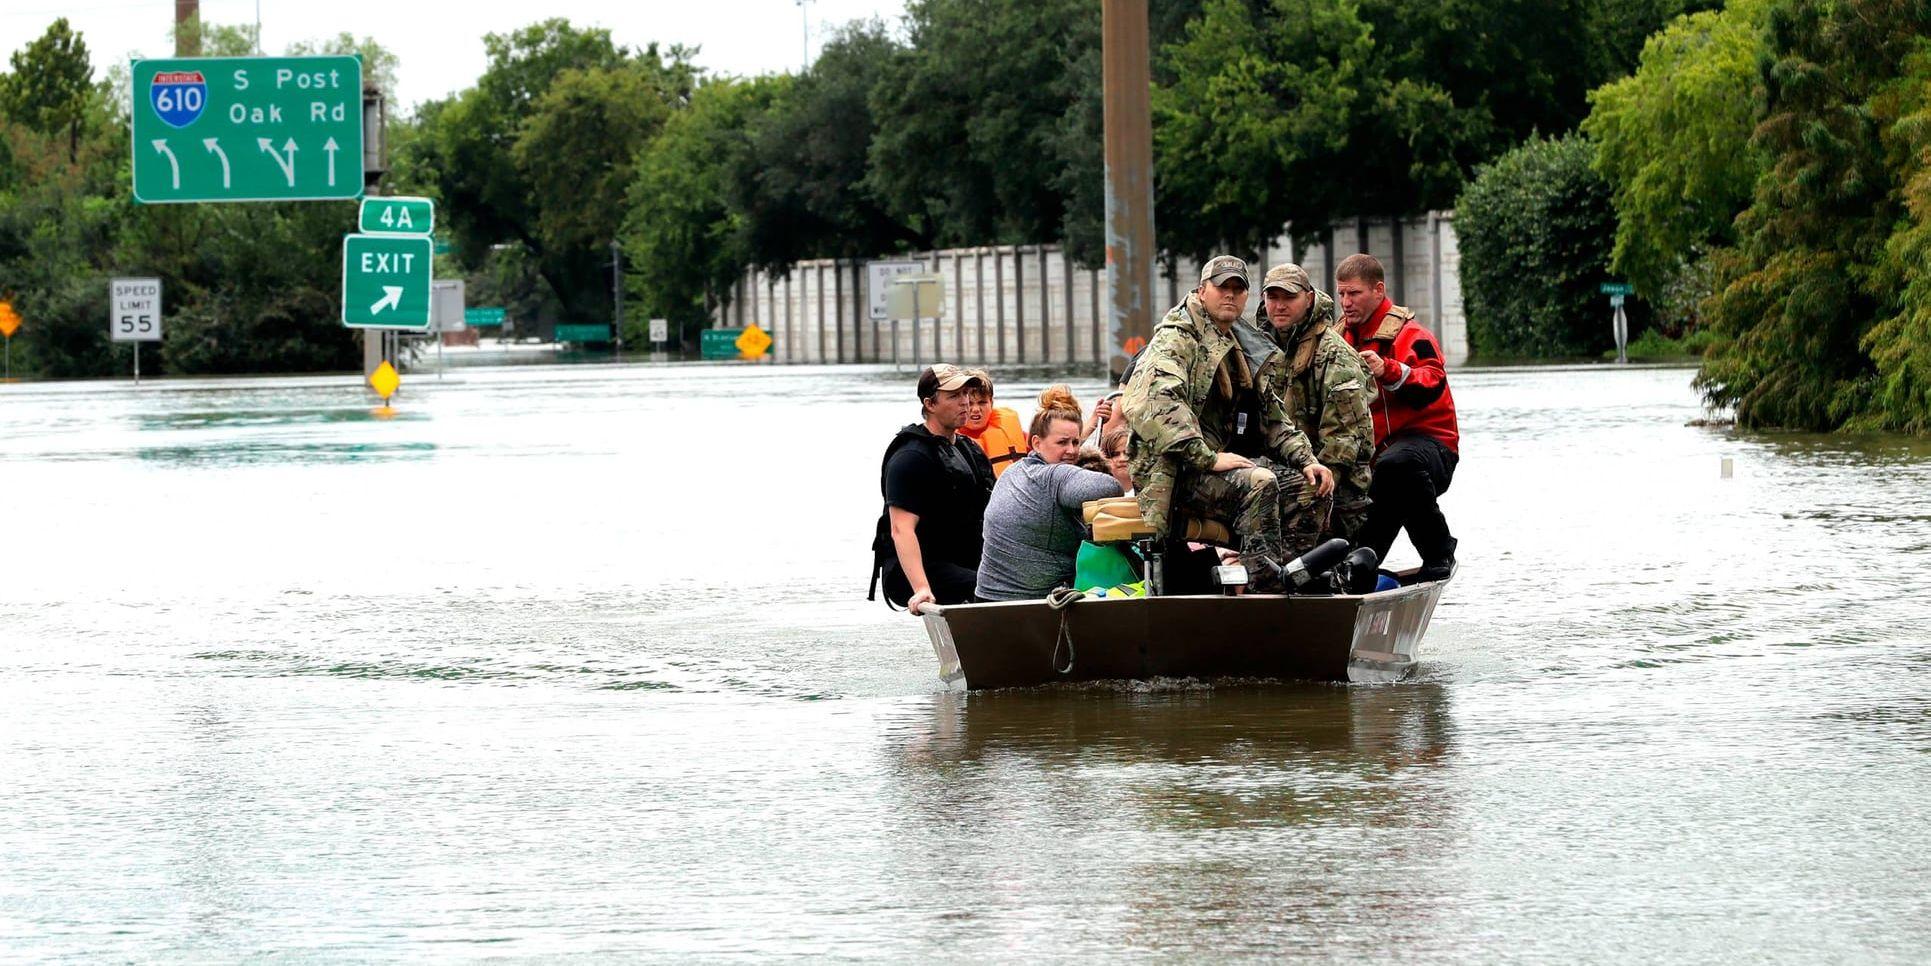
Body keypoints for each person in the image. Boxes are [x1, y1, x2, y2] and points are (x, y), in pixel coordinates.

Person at [1120, 254, 1335, 589]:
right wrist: (1208, 457)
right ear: (1203, 290)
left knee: (1313, 487)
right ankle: (1262, 588)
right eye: (1222, 287)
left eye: (1238, 288)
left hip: (1218, 466)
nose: (1230, 295)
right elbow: (1155, 404)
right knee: (1260, 481)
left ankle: (1290, 579)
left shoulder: (1241, 342)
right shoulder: (1176, 337)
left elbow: (1274, 419)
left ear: (1247, 297)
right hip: (1175, 471)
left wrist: (1308, 460)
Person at [1334, 253, 1460, 579]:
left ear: (1378, 290)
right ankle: (1356, 575)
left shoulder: (1411, 334)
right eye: (1342, 294)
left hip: (1430, 448)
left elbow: (1432, 382)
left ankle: (1439, 552)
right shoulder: (1336, 339)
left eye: (1354, 294)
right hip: (1375, 463)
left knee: (1396, 465)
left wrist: (1388, 370)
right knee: (1353, 554)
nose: (1346, 303)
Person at [1252, 263, 1375, 542]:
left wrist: (1316, 483)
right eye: (1273, 298)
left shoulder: (1335, 355)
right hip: (1280, 473)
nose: (1279, 306)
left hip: (1336, 487)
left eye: (1289, 297)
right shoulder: (1260, 349)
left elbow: (1343, 439)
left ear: (1308, 300)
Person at [975, 387, 1125, 601]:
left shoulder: (1014, 471)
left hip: (986, 596)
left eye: (1075, 442)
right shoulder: (1054, 477)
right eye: (1062, 443)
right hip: (1028, 603)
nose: (1072, 451)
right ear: (1036, 442)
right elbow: (1112, 488)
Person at [871, 364, 996, 614]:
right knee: (990, 588)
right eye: (954, 396)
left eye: (965, 394)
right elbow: (901, 529)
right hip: (919, 569)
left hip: (963, 559)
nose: (965, 403)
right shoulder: (910, 457)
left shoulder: (969, 449)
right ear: (930, 404)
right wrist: (921, 588)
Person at [958, 369, 1029, 478]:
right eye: (969, 403)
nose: (976, 409)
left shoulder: (1021, 436)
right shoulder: (949, 442)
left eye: (982, 402)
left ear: (991, 403)